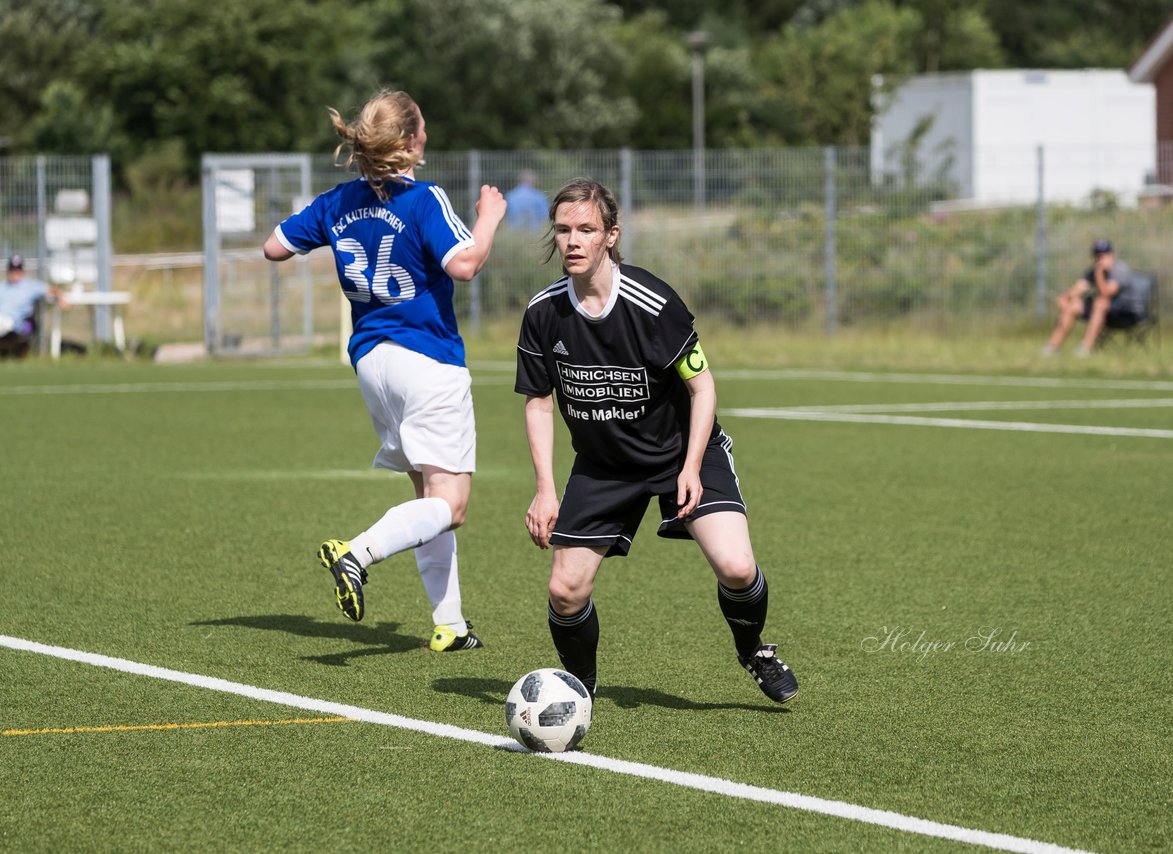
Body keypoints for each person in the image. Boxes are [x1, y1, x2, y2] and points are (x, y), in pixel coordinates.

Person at [514, 178, 798, 703]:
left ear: (610, 236)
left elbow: (702, 386)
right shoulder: (543, 313)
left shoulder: (652, 302)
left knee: (736, 566)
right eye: (562, 230)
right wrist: (544, 489)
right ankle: (582, 691)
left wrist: (690, 468)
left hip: (681, 451)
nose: (572, 241)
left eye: (586, 229)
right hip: (604, 464)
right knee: (565, 590)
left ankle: (754, 649)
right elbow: (537, 401)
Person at [262, 89, 506, 652]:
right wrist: (489, 219)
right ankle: (358, 553)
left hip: (372, 360)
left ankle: (451, 625)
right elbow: (465, 264)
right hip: (426, 358)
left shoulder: (337, 201)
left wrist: (330, 224)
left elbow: (274, 247)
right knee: (452, 505)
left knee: (428, 496)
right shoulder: (424, 199)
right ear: (413, 141)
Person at [1043, 238, 1135, 356]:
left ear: (1112, 255)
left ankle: (1086, 348)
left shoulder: (1120, 269)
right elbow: (1079, 288)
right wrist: (1066, 297)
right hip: (1101, 311)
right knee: (1073, 305)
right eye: (1097, 256)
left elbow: (1105, 293)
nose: (1099, 259)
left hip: (1123, 313)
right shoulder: (1094, 271)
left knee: (1101, 302)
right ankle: (1052, 347)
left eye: (1103, 255)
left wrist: (1099, 273)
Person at [0, 254, 65, 358]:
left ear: (23, 271)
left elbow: (50, 289)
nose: (15, 273)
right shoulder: (0, 287)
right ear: (8, 271)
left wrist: (61, 297)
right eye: (12, 269)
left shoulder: (30, 286)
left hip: (13, 325)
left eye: (18, 269)